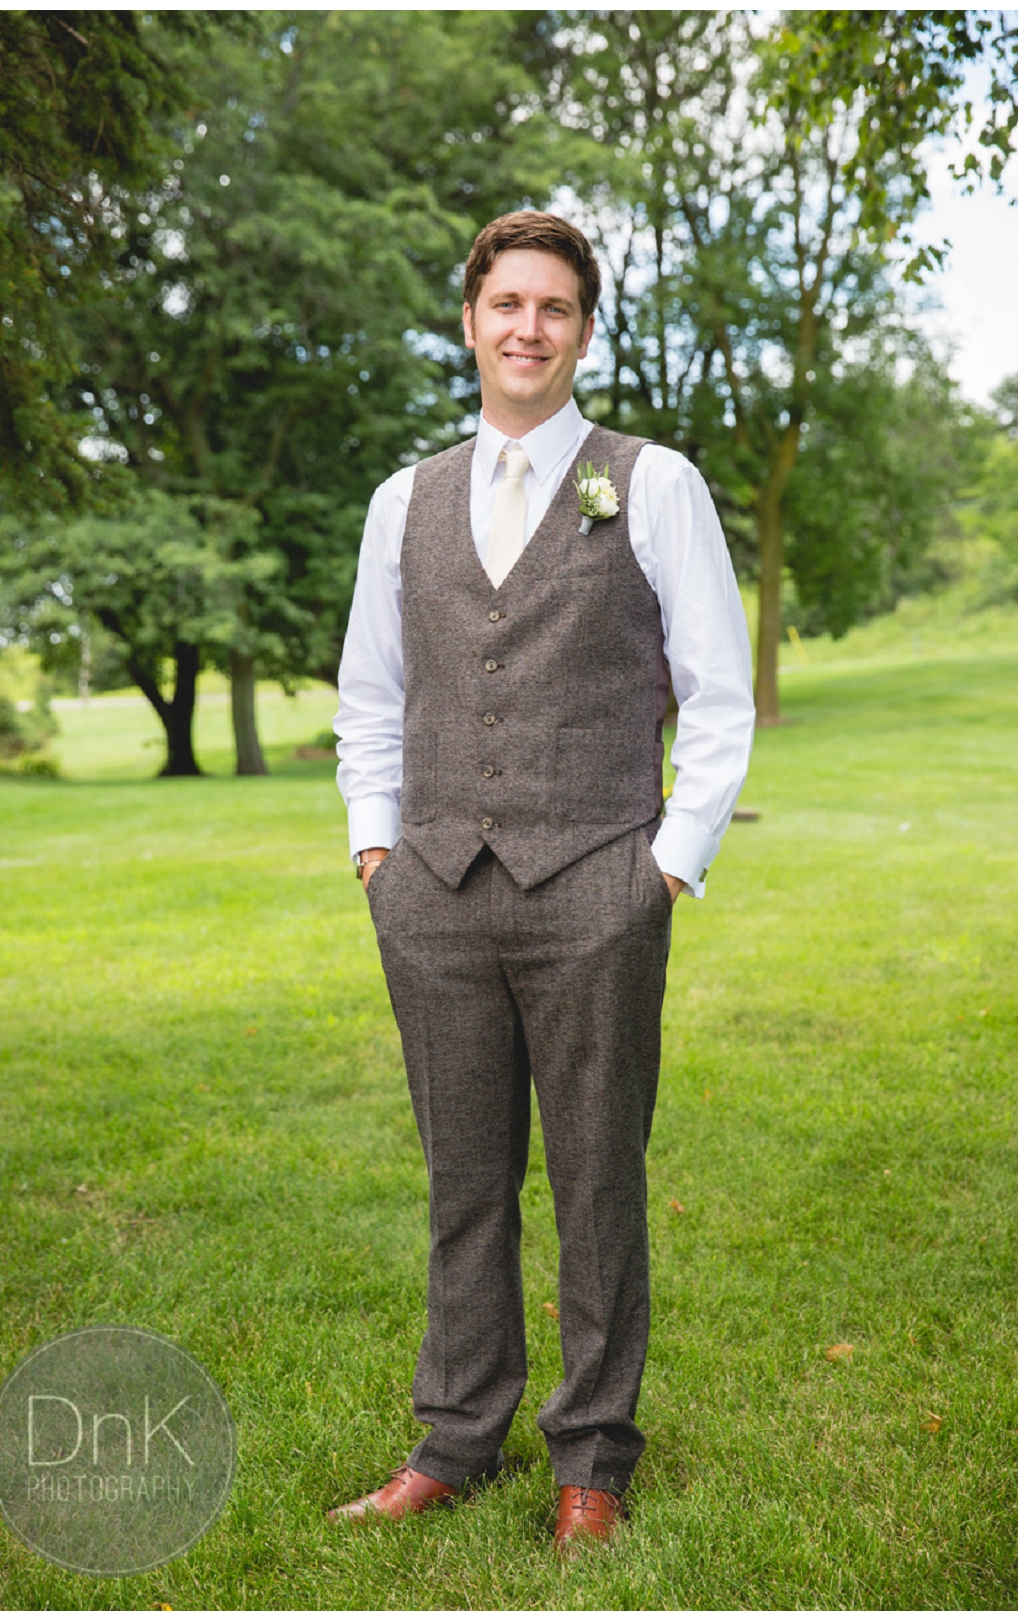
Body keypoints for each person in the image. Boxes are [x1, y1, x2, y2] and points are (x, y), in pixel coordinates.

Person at [323, 210, 753, 1553]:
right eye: (505, 302)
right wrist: (377, 850)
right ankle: (455, 1437)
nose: (527, 326)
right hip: (434, 889)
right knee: (464, 1178)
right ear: (470, 321)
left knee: (595, 1175)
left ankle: (591, 1455)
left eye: (554, 308)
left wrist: (663, 868)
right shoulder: (405, 501)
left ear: (581, 329)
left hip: (595, 886)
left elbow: (718, 697)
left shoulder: (655, 482)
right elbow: (371, 700)